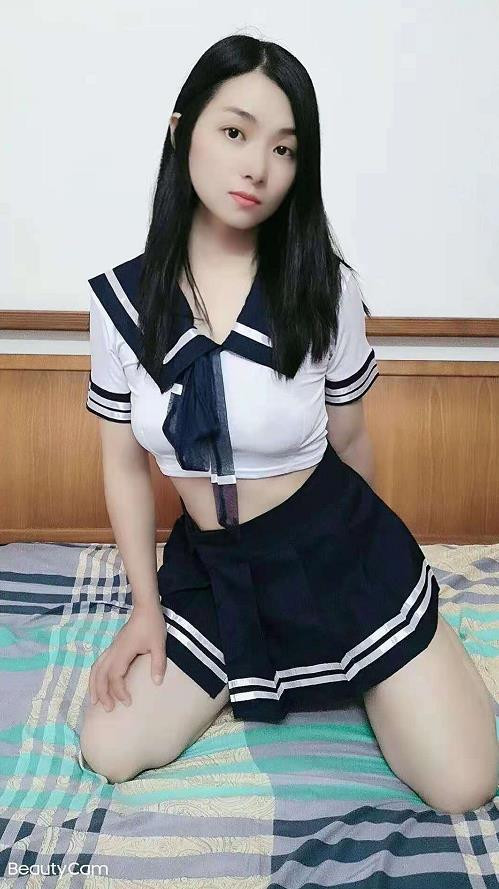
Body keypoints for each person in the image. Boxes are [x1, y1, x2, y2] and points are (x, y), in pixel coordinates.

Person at [79, 34, 497, 811]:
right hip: (213, 568)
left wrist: (371, 592)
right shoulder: (122, 305)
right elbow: (122, 465)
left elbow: (351, 442)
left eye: (283, 148)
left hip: (332, 546)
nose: (257, 167)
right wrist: (144, 607)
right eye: (234, 132)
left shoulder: (321, 291)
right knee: (109, 745)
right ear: (180, 131)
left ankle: (397, 647)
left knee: (462, 783)